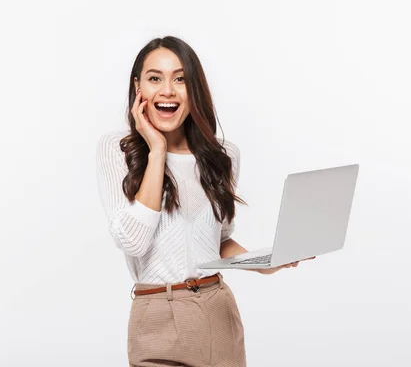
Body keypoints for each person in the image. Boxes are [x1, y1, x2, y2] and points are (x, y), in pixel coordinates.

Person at [96, 36, 314, 367]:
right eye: (155, 78)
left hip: (218, 311)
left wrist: (265, 263)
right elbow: (134, 241)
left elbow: (219, 241)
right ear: (137, 86)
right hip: (157, 316)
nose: (167, 90)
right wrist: (156, 150)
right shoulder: (118, 150)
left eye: (180, 79)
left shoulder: (222, 156)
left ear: (194, 89)